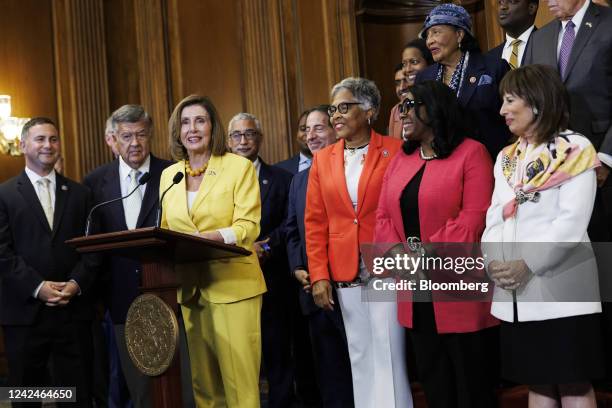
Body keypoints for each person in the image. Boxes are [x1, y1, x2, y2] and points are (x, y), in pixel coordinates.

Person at [482, 64, 604, 407]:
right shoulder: (507, 158)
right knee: (537, 382)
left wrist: (528, 263)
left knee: (572, 385)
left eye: (509, 100)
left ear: (536, 102)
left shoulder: (574, 149)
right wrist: (495, 262)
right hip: (517, 292)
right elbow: (494, 214)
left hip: (562, 288)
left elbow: (571, 223)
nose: (502, 111)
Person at [374, 81, 499, 407]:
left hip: (457, 284)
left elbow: (474, 218)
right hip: (414, 288)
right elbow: (383, 216)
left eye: (411, 105)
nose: (403, 114)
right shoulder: (401, 159)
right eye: (401, 107)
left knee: (471, 383)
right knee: (434, 380)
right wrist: (398, 253)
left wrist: (421, 255)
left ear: (435, 108)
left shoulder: (472, 152)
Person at [305, 77, 412, 408]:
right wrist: (319, 275)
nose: (336, 115)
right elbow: (315, 221)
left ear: (369, 111)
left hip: (386, 263)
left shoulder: (394, 151)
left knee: (389, 352)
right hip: (344, 267)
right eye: (332, 108)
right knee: (360, 354)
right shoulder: (323, 159)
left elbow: (402, 209)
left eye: (344, 107)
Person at [159, 95, 266, 408]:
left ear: (213, 127)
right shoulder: (170, 175)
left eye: (200, 121)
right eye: (185, 122)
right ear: (177, 131)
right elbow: (166, 229)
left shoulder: (238, 168)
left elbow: (248, 227)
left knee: (241, 387)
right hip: (191, 290)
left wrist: (208, 237)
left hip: (234, 287)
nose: (192, 129)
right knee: (204, 388)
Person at [0, 117, 100, 406]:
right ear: (22, 146)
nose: (48, 145)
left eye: (53, 139)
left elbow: (92, 249)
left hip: (73, 312)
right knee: (25, 396)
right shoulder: (4, 195)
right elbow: (2, 253)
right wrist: (38, 287)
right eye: (40, 139)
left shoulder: (82, 194)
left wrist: (75, 283)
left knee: (76, 395)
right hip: (25, 313)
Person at [83, 105, 173, 408]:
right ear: (112, 139)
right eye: (127, 136)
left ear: (150, 136)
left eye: (141, 135)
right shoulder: (95, 182)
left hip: (168, 290)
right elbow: (92, 243)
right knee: (132, 384)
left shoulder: (171, 173)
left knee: (173, 382)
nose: (135, 143)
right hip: (117, 298)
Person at [286, 105, 354, 407]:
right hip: (313, 292)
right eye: (307, 129)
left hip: (353, 285)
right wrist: (299, 267)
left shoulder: (350, 169)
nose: (311, 135)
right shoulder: (299, 179)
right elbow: (293, 231)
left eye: (319, 128)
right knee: (330, 378)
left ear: (335, 130)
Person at [227, 112, 296, 408]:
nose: (244, 141)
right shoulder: (217, 181)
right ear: (228, 142)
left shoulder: (282, 178)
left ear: (260, 138)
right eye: (237, 135)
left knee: (277, 353)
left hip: (273, 281)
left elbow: (291, 223)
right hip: (231, 281)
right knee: (237, 358)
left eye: (250, 134)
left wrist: (266, 247)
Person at [416, 3, 511, 158]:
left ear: (459, 35)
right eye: (427, 35)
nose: (429, 41)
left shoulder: (493, 68)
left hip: (489, 159)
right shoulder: (425, 77)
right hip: (441, 162)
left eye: (436, 32)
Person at [388, 40, 433, 140]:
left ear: (429, 63)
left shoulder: (439, 99)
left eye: (414, 62)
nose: (407, 69)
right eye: (404, 64)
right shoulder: (397, 110)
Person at [488, 0, 538, 68]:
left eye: (512, 1)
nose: (502, 7)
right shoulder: (489, 59)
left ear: (531, 7)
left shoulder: (548, 45)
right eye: (500, 2)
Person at [275, 110, 312, 174]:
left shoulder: (334, 163)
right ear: (296, 133)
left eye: (318, 129)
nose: (309, 135)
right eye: (303, 129)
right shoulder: (279, 169)